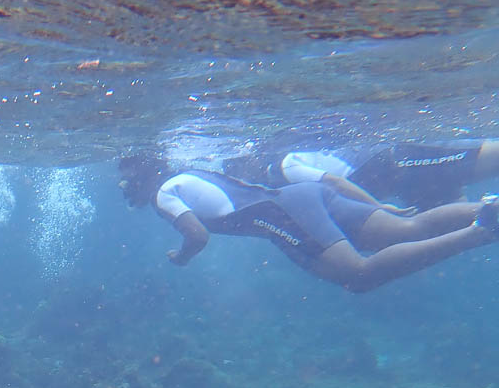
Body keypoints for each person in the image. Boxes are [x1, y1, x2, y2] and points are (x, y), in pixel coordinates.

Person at [118, 153, 499, 293]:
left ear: (142, 175)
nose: (122, 186)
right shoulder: (189, 171)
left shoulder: (162, 195)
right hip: (302, 196)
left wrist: (181, 257)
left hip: (286, 215)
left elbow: (197, 236)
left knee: (359, 276)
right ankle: (488, 207)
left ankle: (480, 231)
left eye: (124, 176)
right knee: (405, 230)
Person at [278, 140, 499, 212]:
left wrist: (377, 207)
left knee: (491, 157)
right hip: (402, 180)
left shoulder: (289, 163)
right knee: (472, 217)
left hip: (397, 164)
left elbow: (335, 181)